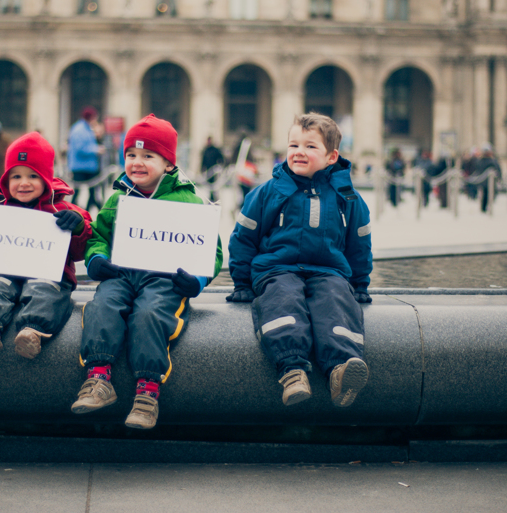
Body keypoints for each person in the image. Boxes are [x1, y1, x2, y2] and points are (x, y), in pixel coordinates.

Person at [70, 114, 223, 430]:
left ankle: (147, 392)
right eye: (131, 155)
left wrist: (196, 279)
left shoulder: (191, 201)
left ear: (168, 163)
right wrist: (97, 260)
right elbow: (98, 235)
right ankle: (99, 378)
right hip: (121, 274)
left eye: (147, 156)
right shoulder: (117, 199)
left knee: (150, 315)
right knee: (102, 306)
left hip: (164, 279)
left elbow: (213, 250)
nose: (136, 163)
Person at [226, 113, 372, 410]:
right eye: (293, 145)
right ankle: (292, 370)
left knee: (336, 300)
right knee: (283, 298)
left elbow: (359, 244)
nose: (299, 152)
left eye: (310, 146)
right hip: (277, 269)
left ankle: (340, 369)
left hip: (328, 270)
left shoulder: (348, 197)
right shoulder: (268, 192)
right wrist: (242, 282)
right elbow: (243, 237)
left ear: (332, 156)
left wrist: (358, 284)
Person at [0, 132, 93, 359]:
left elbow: (83, 249)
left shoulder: (63, 209)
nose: (24, 183)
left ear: (47, 179)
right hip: (5, 269)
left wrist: (78, 228)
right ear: (6, 180)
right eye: (16, 176)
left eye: (33, 176)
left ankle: (32, 331)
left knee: (46, 291)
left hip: (50, 274)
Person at [67, 107, 103, 212]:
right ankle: (73, 210)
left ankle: (86, 210)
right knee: (78, 192)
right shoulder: (79, 130)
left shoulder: (86, 128)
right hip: (82, 167)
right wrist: (96, 150)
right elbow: (80, 148)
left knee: (90, 192)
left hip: (87, 166)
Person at [472, 145, 501, 213]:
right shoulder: (491, 161)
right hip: (486, 180)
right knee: (486, 194)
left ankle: (484, 207)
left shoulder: (481, 160)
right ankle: (485, 207)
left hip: (485, 180)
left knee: (486, 193)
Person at [200, 136, 225, 202]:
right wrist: (202, 169)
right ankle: (211, 196)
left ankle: (214, 197)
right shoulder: (205, 150)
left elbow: (221, 158)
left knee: (214, 184)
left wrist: (219, 166)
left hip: (214, 171)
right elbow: (203, 161)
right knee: (208, 185)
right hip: (208, 170)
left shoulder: (215, 150)